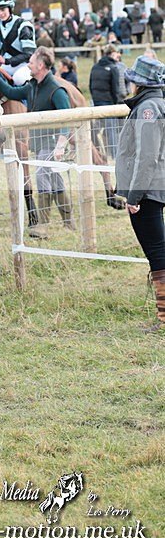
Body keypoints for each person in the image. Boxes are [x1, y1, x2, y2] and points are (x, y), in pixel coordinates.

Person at [0, 46, 73, 238]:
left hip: (52, 143)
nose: (28, 64)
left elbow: (68, 119)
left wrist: (61, 144)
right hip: (39, 142)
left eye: (31, 62)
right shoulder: (32, 86)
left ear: (40, 65)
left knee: (42, 175)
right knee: (55, 180)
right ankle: (69, 222)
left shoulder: (57, 90)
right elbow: (11, 91)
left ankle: (42, 225)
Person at [114, 55, 165, 332]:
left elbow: (146, 157)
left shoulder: (148, 109)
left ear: (139, 83)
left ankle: (164, 317)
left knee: (157, 253)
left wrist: (134, 196)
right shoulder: (155, 103)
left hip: (148, 190)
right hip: (155, 186)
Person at [89, 43, 123, 157]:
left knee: (96, 130)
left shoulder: (95, 66)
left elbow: (90, 85)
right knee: (111, 129)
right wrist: (115, 103)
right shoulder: (113, 68)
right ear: (113, 54)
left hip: (96, 102)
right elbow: (115, 89)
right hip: (108, 102)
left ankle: (96, 153)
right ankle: (115, 155)